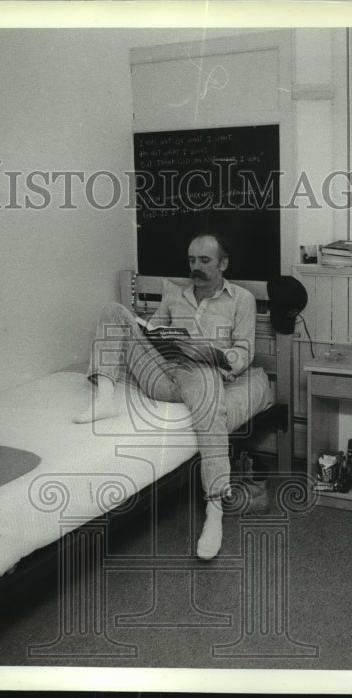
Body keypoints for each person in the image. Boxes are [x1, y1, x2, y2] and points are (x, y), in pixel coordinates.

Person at [73, 233, 256, 560]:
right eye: (191, 261)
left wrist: (216, 355)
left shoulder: (241, 299)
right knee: (114, 312)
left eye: (204, 261)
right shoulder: (174, 295)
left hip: (200, 375)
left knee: (208, 390)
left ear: (223, 263)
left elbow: (244, 352)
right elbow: (151, 331)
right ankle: (104, 398)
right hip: (160, 372)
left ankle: (215, 510)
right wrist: (151, 333)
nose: (195, 268)